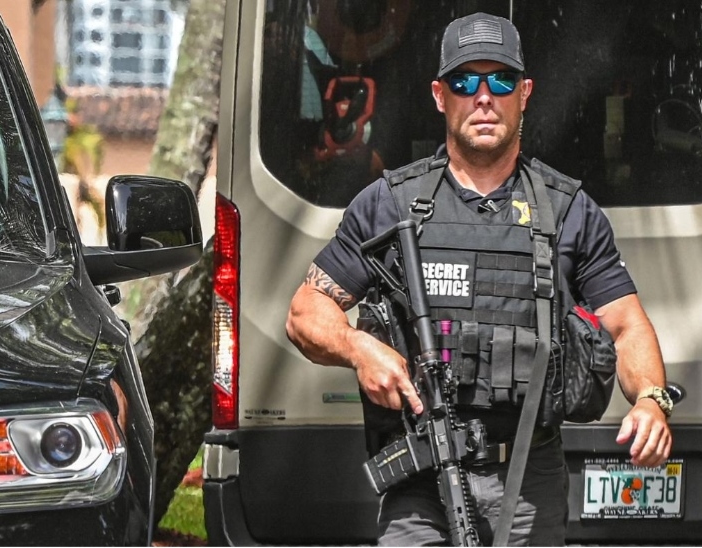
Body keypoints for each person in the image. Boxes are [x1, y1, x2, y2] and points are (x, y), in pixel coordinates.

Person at [285, 11, 673, 547]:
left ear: (524, 93)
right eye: (465, 82)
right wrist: (358, 349)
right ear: (440, 96)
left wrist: (652, 399)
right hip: (420, 476)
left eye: (501, 81)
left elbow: (626, 325)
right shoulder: (391, 205)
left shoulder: (567, 211)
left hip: (528, 480)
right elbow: (305, 311)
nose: (484, 97)